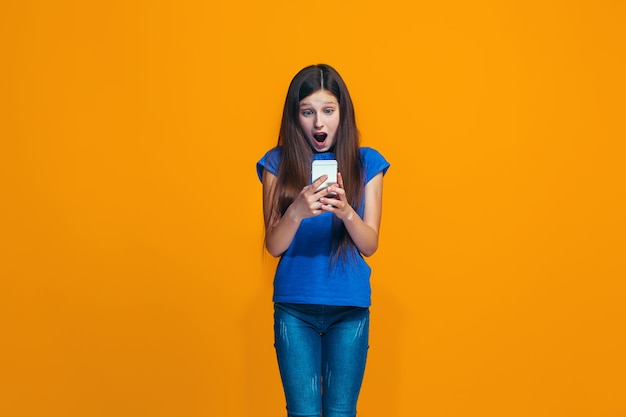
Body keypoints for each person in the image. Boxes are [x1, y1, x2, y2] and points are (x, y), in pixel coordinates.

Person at [256, 64, 390, 417]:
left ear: (342, 114)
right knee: (301, 413)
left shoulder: (367, 163)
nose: (319, 123)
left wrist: (346, 211)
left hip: (349, 308)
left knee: (341, 412)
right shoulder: (276, 163)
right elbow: (274, 245)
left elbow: (370, 244)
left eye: (328, 111)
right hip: (294, 308)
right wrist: (297, 211)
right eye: (308, 112)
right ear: (295, 116)